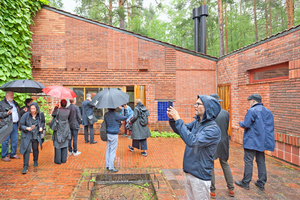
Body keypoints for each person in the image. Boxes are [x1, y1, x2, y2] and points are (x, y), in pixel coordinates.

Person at [167, 95, 221, 200]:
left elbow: (192, 141)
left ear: (208, 108)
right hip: (189, 172)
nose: (195, 106)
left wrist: (178, 119)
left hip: (200, 176)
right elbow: (182, 130)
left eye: (198, 104)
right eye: (195, 103)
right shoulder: (197, 123)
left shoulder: (212, 129)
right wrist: (173, 120)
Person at [235, 94, 275, 191]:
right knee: (261, 161)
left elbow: (246, 124)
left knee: (248, 161)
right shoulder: (268, 111)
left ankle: (245, 182)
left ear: (253, 101)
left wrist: (240, 123)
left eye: (250, 101)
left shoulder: (252, 110)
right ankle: (261, 183)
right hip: (262, 141)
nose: (249, 103)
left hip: (251, 141)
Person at [209, 94, 234, 198]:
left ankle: (212, 191)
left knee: (210, 165)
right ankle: (231, 188)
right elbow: (226, 127)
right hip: (223, 141)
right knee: (224, 163)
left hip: (212, 141)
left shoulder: (208, 114)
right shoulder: (226, 113)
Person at [19, 102, 45, 174]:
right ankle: (25, 166)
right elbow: (21, 125)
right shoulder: (25, 115)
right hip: (27, 135)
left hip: (36, 135)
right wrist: (26, 128)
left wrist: (41, 127)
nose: (32, 110)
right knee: (27, 150)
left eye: (34, 108)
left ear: (36, 108)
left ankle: (35, 160)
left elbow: (42, 122)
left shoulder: (40, 115)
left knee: (35, 148)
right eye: (31, 108)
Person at [104, 105, 128, 172]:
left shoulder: (106, 114)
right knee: (112, 151)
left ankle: (108, 165)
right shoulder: (115, 115)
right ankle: (111, 167)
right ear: (114, 108)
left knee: (108, 149)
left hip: (107, 133)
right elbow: (125, 117)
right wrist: (125, 109)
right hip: (114, 134)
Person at [0, 91, 21, 161]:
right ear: (6, 96)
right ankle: (4, 156)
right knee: (5, 140)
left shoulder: (15, 103)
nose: (13, 96)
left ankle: (13, 154)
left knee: (15, 140)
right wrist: (6, 113)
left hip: (15, 124)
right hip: (6, 124)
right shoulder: (2, 103)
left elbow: (18, 112)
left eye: (13, 95)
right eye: (11, 95)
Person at [52, 99, 71, 165]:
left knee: (58, 145)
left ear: (60, 104)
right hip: (66, 128)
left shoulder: (58, 111)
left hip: (59, 128)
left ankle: (58, 160)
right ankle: (63, 159)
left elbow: (53, 115)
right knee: (65, 144)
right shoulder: (68, 111)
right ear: (66, 104)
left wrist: (56, 107)